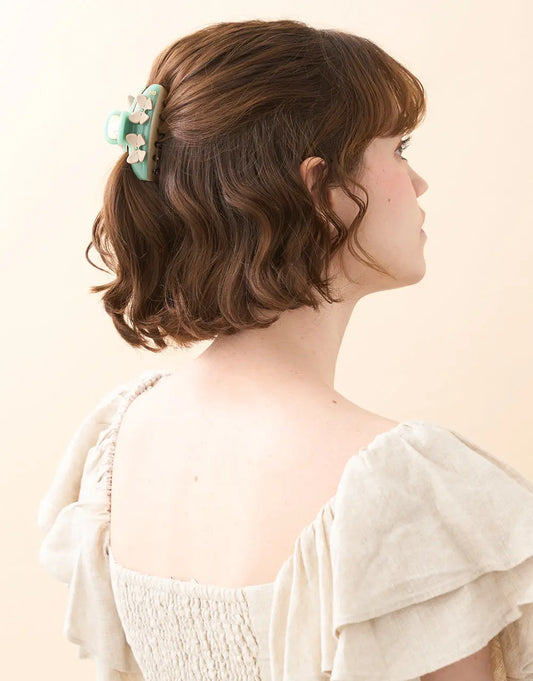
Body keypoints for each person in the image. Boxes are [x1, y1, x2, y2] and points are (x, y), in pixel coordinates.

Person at [37, 18, 533, 681]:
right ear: (320, 189)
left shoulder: (122, 438)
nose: (418, 184)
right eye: (399, 147)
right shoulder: (401, 490)